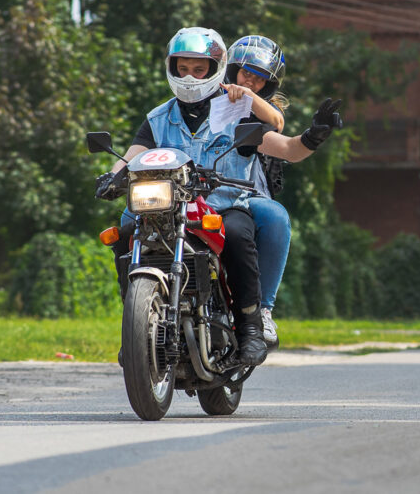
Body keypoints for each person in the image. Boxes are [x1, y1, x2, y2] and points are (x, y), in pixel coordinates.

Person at [95, 27, 342, 366]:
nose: (190, 76)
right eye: (183, 68)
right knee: (124, 231)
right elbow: (132, 155)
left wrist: (313, 137)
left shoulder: (238, 111)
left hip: (223, 205)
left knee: (239, 235)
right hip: (169, 206)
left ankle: (252, 328)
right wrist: (112, 176)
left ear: (215, 68)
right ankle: (138, 322)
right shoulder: (158, 117)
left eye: (199, 69)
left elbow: (287, 148)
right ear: (171, 67)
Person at [222, 35, 292, 346]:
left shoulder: (256, 105)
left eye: (259, 78)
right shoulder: (204, 95)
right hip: (193, 187)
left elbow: (277, 122)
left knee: (275, 216)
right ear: (232, 68)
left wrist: (247, 96)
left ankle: (263, 309)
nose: (250, 80)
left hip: (243, 192)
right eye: (246, 72)